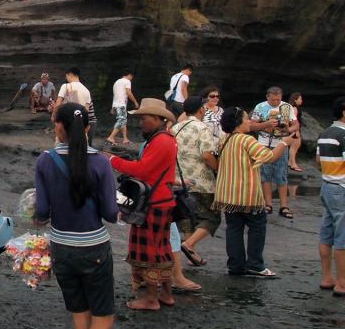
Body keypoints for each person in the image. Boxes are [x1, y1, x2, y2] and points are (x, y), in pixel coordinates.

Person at [36, 103, 119, 329]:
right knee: (104, 318)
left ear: (57, 127)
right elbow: (111, 214)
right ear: (87, 129)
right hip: (93, 248)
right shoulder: (100, 163)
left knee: (81, 314)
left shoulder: (45, 161)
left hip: (61, 248)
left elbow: (42, 212)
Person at [107, 99, 178, 310]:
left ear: (156, 119)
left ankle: (151, 298)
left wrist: (111, 160)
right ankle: (166, 294)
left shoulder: (160, 141)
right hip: (163, 199)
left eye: (144, 119)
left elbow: (142, 170)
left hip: (153, 203)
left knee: (149, 252)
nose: (141, 123)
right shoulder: (168, 139)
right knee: (162, 248)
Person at [214, 106, 289, 277]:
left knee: (234, 229)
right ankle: (255, 264)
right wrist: (285, 143)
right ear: (238, 122)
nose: (250, 122)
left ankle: (236, 265)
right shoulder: (246, 140)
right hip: (247, 194)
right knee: (257, 227)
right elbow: (269, 158)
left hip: (228, 193)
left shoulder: (224, 139)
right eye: (246, 118)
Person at [172, 96, 221, 270]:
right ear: (202, 110)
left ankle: (192, 254)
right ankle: (189, 244)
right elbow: (207, 155)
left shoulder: (175, 128)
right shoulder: (202, 128)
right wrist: (217, 169)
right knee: (212, 217)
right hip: (201, 181)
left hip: (180, 180)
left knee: (187, 217)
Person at [250, 86, 299, 219]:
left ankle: (284, 206)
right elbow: (251, 125)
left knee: (281, 174)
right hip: (264, 144)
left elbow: (296, 124)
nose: (276, 102)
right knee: (265, 175)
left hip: (281, 143)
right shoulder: (260, 107)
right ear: (267, 97)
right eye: (273, 100)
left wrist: (288, 130)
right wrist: (265, 125)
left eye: (278, 100)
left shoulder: (287, 107)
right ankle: (268, 204)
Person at [316, 97, 345, 295]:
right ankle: (342, 283)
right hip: (341, 188)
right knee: (342, 237)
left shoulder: (325, 133)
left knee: (326, 234)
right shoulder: (344, 135)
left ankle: (327, 277)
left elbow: (318, 161)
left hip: (327, 186)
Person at [55, 68, 95, 145]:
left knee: (62, 151)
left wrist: (54, 118)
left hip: (65, 127)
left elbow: (58, 104)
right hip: (80, 126)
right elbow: (86, 111)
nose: (66, 78)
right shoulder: (86, 91)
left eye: (66, 76)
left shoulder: (66, 86)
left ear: (70, 74)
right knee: (80, 151)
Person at [106, 71, 139, 146]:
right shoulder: (127, 81)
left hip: (116, 104)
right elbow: (129, 92)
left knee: (123, 121)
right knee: (121, 120)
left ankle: (125, 139)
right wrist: (135, 102)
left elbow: (115, 94)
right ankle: (111, 137)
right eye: (132, 77)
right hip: (121, 104)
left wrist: (112, 107)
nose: (131, 79)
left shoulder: (117, 82)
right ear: (129, 75)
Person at [287, 93, 305, 172]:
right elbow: (293, 120)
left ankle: (290, 162)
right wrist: (296, 131)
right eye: (300, 99)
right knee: (294, 147)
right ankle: (293, 163)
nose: (301, 100)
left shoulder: (292, 107)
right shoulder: (294, 108)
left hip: (295, 129)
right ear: (295, 99)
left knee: (295, 146)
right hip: (295, 129)